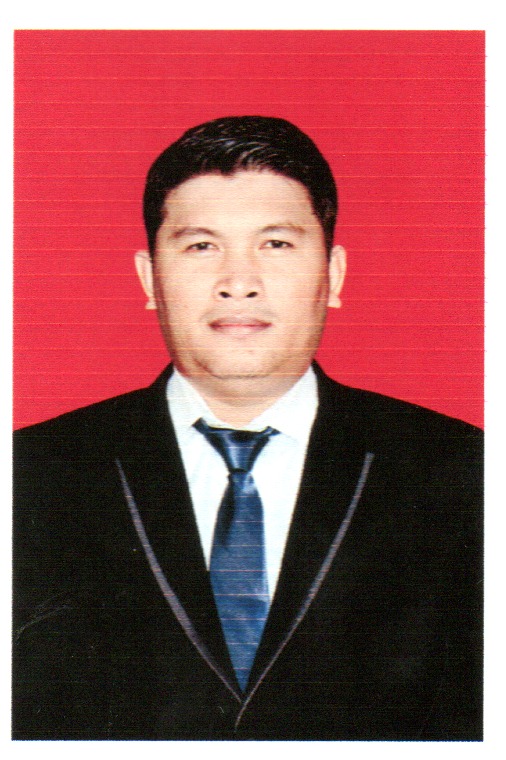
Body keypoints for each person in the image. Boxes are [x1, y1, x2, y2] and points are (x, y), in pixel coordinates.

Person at [12, 116, 483, 741]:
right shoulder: (31, 474)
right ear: (150, 279)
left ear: (334, 274)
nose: (239, 283)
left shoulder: (465, 472)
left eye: (276, 244)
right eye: (201, 247)